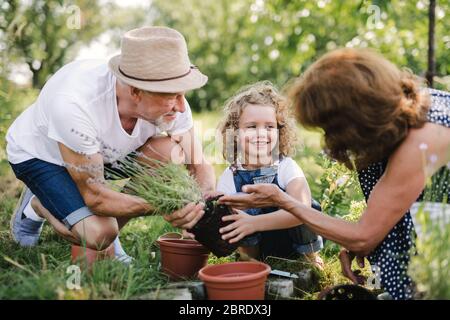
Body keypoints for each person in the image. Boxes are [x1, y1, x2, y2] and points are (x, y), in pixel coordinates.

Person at [218, 48, 450, 299]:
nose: (330, 139)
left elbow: (364, 236)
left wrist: (281, 199)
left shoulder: (423, 140)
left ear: (356, 116)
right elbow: (389, 208)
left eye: (330, 127)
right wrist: (353, 241)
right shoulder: (405, 113)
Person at [6, 26, 214, 262]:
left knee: (171, 151)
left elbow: (200, 163)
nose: (181, 106)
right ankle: (38, 205)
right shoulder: (75, 104)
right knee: (97, 233)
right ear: (136, 91)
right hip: (42, 156)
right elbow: (96, 197)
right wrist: (165, 206)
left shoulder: (173, 101)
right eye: (171, 96)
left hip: (100, 154)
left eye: (182, 94)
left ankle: (111, 241)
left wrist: (203, 202)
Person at [216, 81, 323, 268]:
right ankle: (251, 263)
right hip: (257, 247)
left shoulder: (285, 166)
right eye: (251, 127)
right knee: (234, 210)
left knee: (308, 206)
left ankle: (310, 259)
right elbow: (220, 217)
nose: (261, 134)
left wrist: (255, 223)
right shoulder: (230, 175)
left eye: (269, 127)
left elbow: (303, 210)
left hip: (291, 241)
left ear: (279, 131)